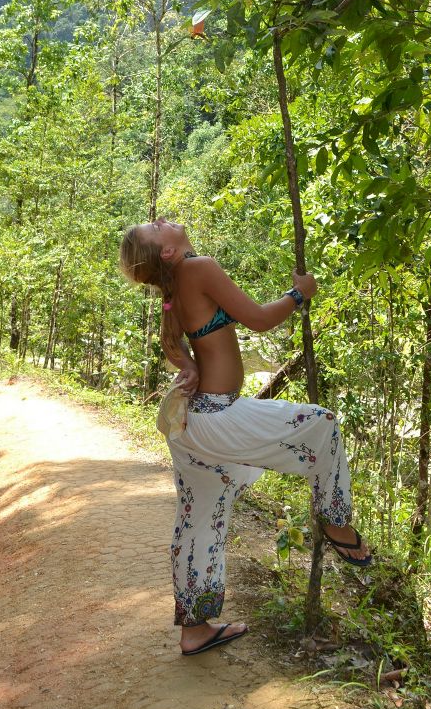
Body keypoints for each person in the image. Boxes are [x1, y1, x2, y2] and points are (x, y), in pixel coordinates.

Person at [120, 217, 371, 657]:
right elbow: (257, 319)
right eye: (155, 227)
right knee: (323, 423)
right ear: (167, 252)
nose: (161, 219)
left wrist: (189, 365)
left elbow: (171, 343)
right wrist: (300, 294)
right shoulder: (197, 267)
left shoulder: (175, 283)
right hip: (217, 415)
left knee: (200, 518)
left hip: (192, 424)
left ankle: (195, 628)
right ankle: (335, 520)